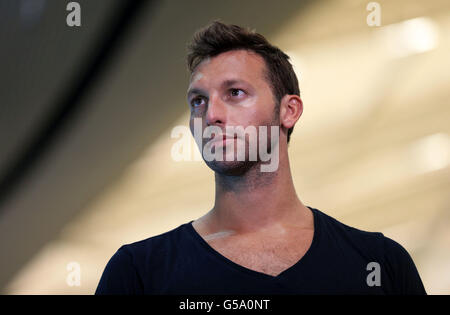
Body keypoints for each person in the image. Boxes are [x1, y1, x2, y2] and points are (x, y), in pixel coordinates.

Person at [95, 21, 426, 295]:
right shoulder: (139, 273)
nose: (211, 114)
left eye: (235, 93)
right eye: (198, 100)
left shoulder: (379, 263)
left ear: (289, 110)